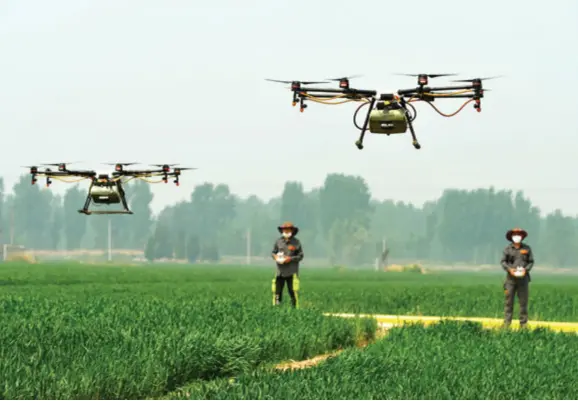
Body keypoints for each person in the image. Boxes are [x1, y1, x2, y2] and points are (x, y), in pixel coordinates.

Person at [500, 227, 534, 328]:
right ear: (511, 237)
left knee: (523, 303)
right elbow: (503, 262)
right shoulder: (507, 249)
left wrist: (525, 270)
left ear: (522, 236)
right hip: (510, 280)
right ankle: (506, 324)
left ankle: (523, 324)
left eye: (519, 234)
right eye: (515, 234)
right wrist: (510, 269)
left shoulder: (527, 249)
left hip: (523, 280)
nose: (517, 236)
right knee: (508, 302)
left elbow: (531, 262)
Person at [271, 221, 304, 308]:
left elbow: (300, 256)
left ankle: (295, 309)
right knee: (277, 292)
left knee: (293, 291)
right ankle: (276, 309)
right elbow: (273, 252)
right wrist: (275, 257)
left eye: (288, 229)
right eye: (284, 229)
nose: (286, 231)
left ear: (292, 231)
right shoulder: (278, 241)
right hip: (280, 272)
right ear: (282, 231)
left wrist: (290, 259)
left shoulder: (296, 243)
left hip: (291, 272)